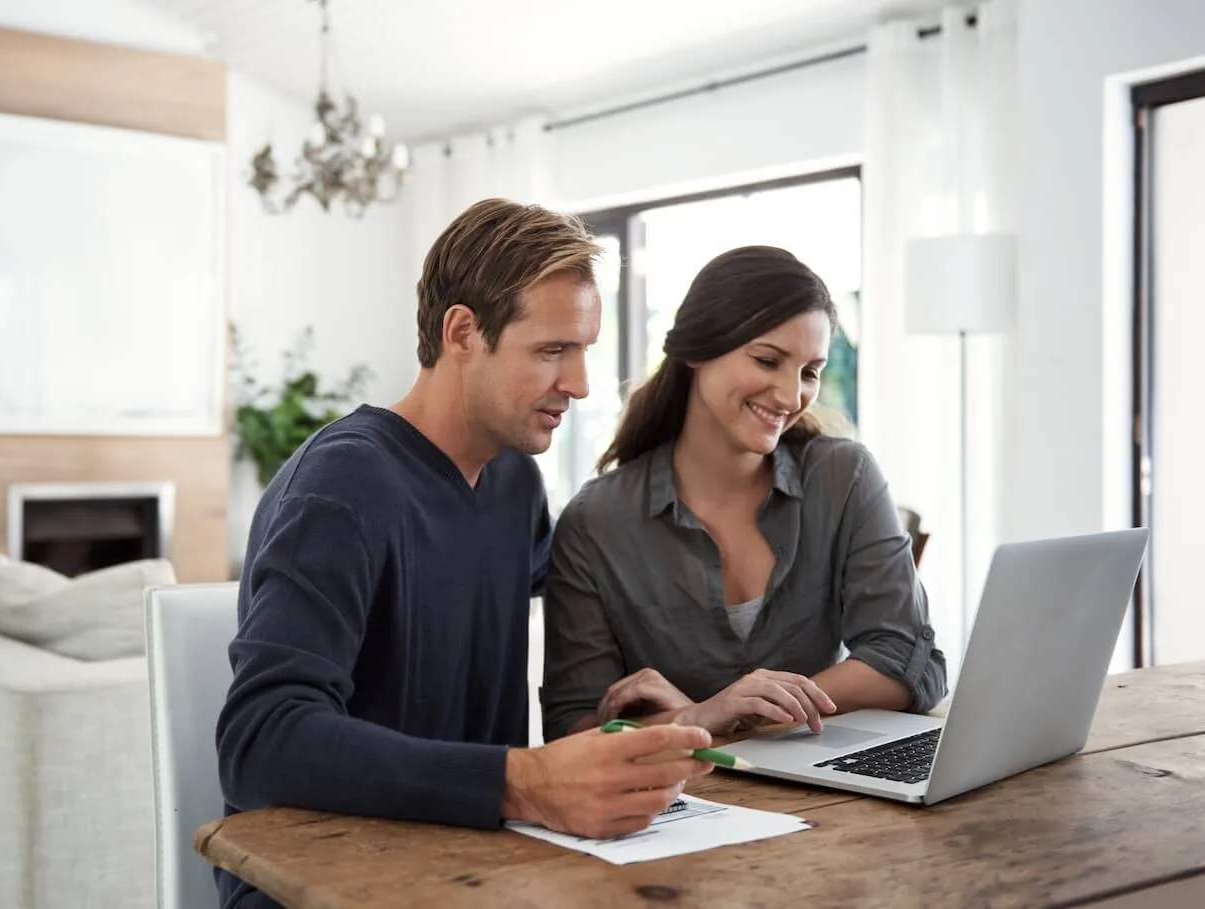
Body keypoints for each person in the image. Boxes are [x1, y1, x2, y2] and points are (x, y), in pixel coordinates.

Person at [217, 198, 716, 909]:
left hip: (475, 870)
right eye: (552, 350)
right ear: (462, 332)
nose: (578, 384)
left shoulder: (514, 482)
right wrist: (525, 782)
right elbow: (260, 741)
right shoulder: (342, 487)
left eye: (583, 351)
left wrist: (667, 716)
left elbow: (582, 597)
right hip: (321, 884)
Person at [540, 245, 947, 744]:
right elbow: (572, 731)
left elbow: (909, 663)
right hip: (683, 790)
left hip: (821, 778)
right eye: (767, 360)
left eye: (809, 372)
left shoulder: (844, 477)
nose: (790, 396)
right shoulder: (596, 522)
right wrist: (702, 716)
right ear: (697, 349)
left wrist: (747, 713)